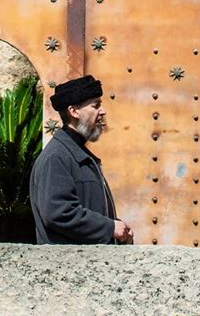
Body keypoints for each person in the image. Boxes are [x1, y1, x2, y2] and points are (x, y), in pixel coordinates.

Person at [29, 75, 134, 244]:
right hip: (68, 267)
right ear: (73, 111)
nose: (103, 111)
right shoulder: (56, 157)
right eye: (96, 105)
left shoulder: (75, 153)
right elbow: (58, 212)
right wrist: (109, 228)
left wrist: (115, 226)